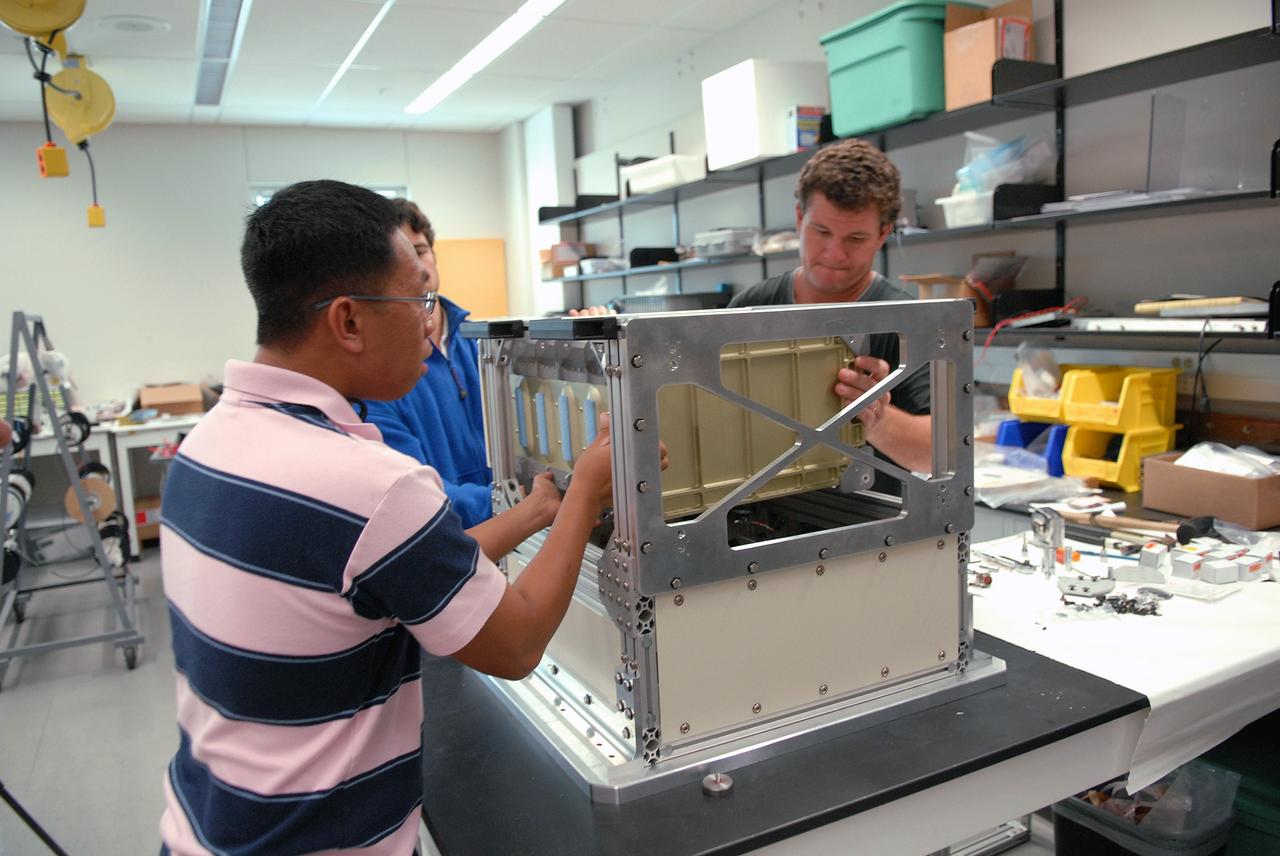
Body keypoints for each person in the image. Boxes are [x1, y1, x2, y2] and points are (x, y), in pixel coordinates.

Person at [157, 180, 648, 855]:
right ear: (348, 320)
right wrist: (590, 491)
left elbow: (386, 572)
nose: (430, 320)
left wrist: (539, 511)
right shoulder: (369, 484)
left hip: (206, 828)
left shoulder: (207, 444)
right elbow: (516, 643)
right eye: (417, 298)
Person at [728, 138, 933, 475]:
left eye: (855, 239)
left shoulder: (908, 323)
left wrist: (879, 421)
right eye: (821, 232)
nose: (834, 254)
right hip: (760, 518)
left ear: (883, 234)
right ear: (799, 218)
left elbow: (941, 452)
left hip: (870, 521)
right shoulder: (752, 308)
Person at [364, 199, 493, 527]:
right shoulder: (376, 375)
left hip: (523, 529)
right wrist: (527, 505)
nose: (418, 269)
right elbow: (418, 498)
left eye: (420, 251)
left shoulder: (484, 342)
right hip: (449, 540)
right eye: (401, 256)